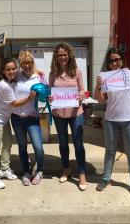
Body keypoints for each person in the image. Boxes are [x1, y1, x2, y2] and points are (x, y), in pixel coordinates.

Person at [94, 47, 130, 197]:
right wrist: (98, 86)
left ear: (122, 60)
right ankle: (105, 178)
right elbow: (101, 100)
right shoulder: (105, 77)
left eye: (117, 59)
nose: (114, 63)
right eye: (111, 61)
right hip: (111, 119)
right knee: (110, 150)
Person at [0, 52, 36, 189]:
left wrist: (39, 72)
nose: (12, 71)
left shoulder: (11, 80)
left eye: (13, 69)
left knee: (7, 144)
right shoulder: (4, 86)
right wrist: (30, 98)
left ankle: (4, 169)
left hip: (4, 119)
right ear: (3, 71)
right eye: (8, 69)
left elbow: (27, 70)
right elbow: (15, 104)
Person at [48, 42, 87, 191]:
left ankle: (82, 173)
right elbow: (50, 92)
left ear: (69, 55)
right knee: (63, 143)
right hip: (59, 113)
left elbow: (82, 91)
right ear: (56, 58)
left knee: (78, 143)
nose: (62, 57)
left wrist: (81, 94)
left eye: (65, 54)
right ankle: (66, 168)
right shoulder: (53, 74)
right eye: (60, 55)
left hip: (75, 112)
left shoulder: (76, 71)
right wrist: (50, 97)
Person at [11, 50, 45, 186]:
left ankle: (40, 171)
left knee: (38, 146)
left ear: (32, 63)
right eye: (24, 62)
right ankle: (26, 172)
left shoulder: (40, 77)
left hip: (32, 117)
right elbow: (1, 67)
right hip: (17, 118)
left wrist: (49, 97)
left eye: (29, 62)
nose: (26, 65)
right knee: (22, 146)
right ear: (20, 64)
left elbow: (46, 93)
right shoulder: (16, 76)